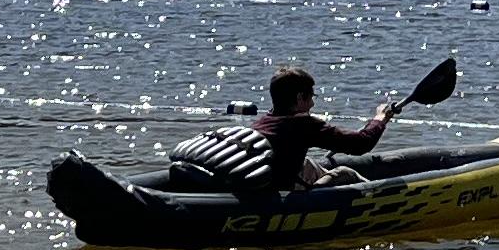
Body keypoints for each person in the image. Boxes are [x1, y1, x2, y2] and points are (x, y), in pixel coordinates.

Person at [173, 65, 405, 203]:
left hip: (268, 180)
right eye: (311, 96)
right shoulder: (304, 125)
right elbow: (361, 144)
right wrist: (379, 119)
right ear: (299, 99)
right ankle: (391, 203)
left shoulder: (263, 121)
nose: (313, 103)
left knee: (308, 163)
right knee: (345, 171)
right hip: (283, 193)